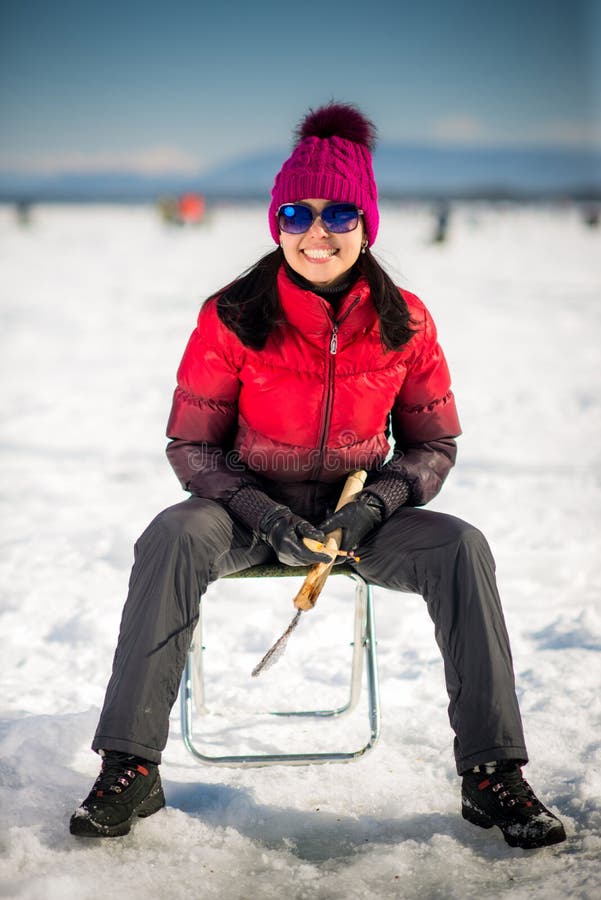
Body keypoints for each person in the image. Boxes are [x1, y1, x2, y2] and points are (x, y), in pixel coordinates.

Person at [70, 102, 566, 849]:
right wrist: (261, 514)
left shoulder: (406, 321)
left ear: (366, 226)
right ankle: (130, 767)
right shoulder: (233, 315)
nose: (317, 233)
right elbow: (190, 446)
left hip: (354, 519)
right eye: (297, 214)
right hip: (243, 513)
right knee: (171, 537)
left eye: (339, 214)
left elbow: (432, 444)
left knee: (461, 547)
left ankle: (491, 774)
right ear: (276, 224)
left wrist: (374, 508)